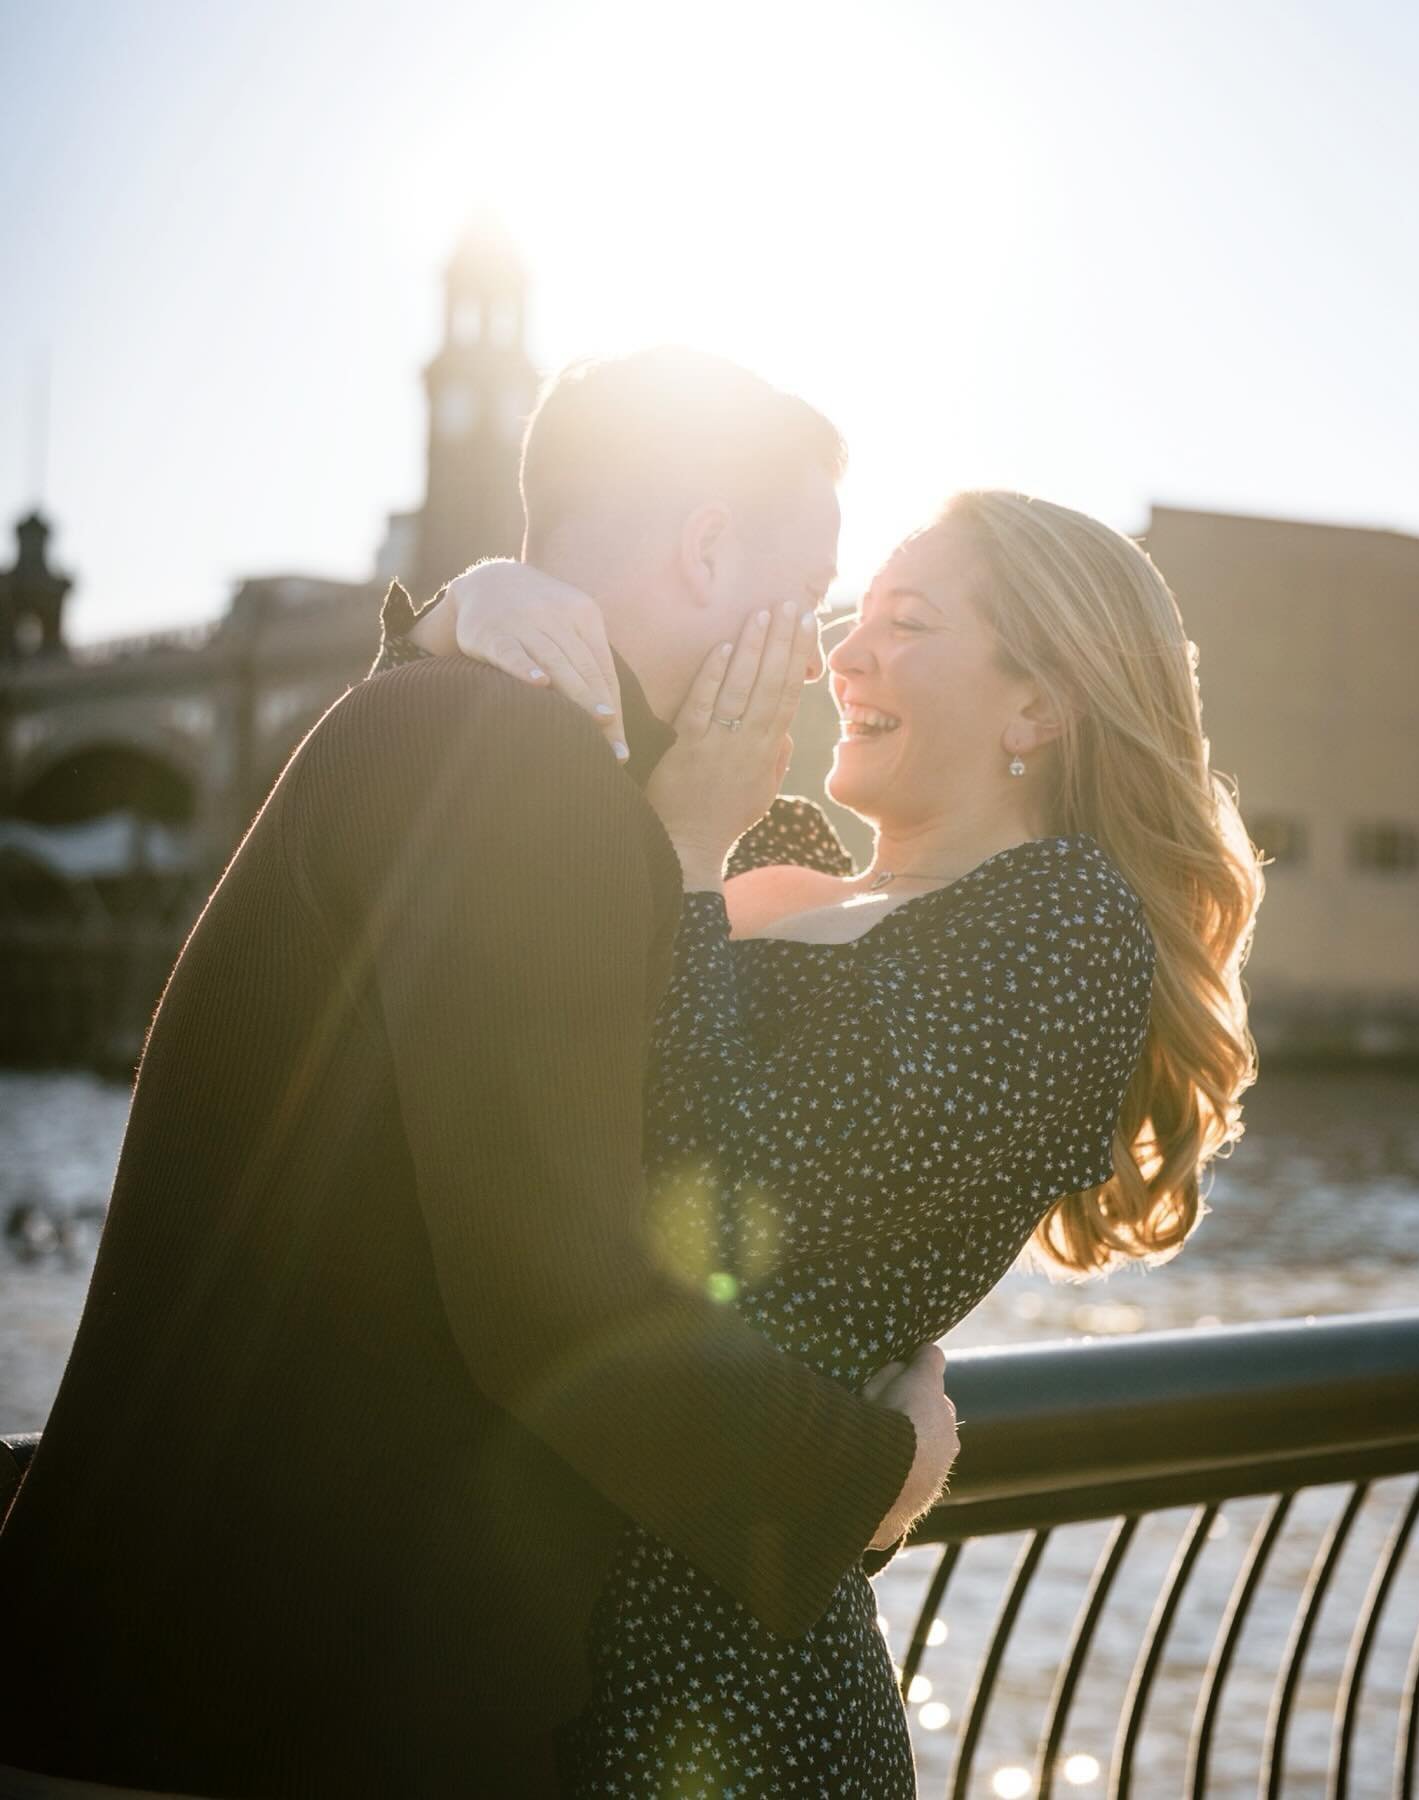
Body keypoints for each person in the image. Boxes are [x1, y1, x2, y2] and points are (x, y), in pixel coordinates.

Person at [0, 351, 960, 1800]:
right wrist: (868, 1476)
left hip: (180, 1693)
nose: (824, 656)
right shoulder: (508, 768)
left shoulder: (470, 742)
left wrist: (439, 622)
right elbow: (548, 1288)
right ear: (706, 549)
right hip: (240, 1723)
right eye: (811, 592)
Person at [394, 484, 1264, 1795]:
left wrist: (684, 850)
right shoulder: (774, 854)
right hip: (499, 1617)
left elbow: (706, 1188)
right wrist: (466, 622)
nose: (839, 653)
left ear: (1038, 704)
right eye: (855, 615)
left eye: (904, 624)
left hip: (715, 1667)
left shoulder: (1064, 926)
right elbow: (454, 956)